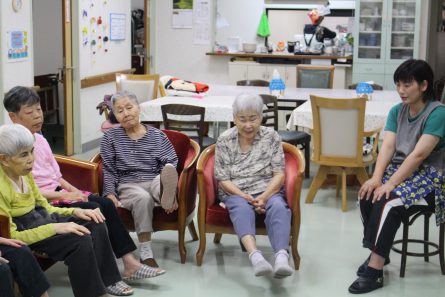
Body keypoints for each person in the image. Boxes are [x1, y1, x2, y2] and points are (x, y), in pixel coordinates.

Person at [3, 86, 163, 277]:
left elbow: (56, 175)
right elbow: (29, 193)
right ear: (13, 117)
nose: (38, 116)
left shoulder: (40, 139)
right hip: (48, 200)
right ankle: (126, 264)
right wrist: (65, 195)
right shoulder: (13, 151)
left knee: (103, 203)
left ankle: (129, 263)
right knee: (99, 207)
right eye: (30, 112)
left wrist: (75, 190)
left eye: (39, 109)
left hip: (59, 192)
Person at [0, 123, 135, 297]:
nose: (31, 159)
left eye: (32, 151)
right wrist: (56, 227)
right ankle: (94, 294)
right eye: (24, 155)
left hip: (41, 220)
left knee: (94, 220)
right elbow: (13, 237)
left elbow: (46, 207)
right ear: (4, 159)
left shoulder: (25, 174)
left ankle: (108, 282)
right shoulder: (2, 187)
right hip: (26, 231)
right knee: (80, 240)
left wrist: (74, 212)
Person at [348, 59, 445, 294]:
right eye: (398, 84)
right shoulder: (396, 111)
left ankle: (375, 270)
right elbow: (389, 146)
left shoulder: (438, 112)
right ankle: (379, 252)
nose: (401, 90)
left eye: (407, 85)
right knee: (368, 193)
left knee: (389, 200)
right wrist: (376, 178)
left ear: (423, 85)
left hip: (431, 175)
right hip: (401, 170)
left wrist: (390, 183)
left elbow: (419, 155)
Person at [214, 93, 293, 278]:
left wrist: (264, 196)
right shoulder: (225, 140)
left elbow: (279, 173)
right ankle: (255, 257)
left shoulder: (271, 136)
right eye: (242, 119)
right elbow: (222, 179)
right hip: (234, 191)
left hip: (268, 189)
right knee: (241, 208)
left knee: (279, 206)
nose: (248, 125)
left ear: (261, 117)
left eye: (253, 119)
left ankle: (281, 257)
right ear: (234, 119)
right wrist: (243, 196)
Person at [100, 90, 179, 268]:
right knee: (143, 198)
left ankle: (168, 193)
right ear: (115, 115)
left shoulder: (157, 136)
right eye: (120, 110)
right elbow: (109, 169)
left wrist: (169, 181)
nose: (126, 113)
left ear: (139, 108)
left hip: (153, 178)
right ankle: (146, 252)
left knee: (164, 175)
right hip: (128, 184)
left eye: (129, 107)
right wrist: (110, 193)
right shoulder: (110, 138)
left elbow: (171, 161)